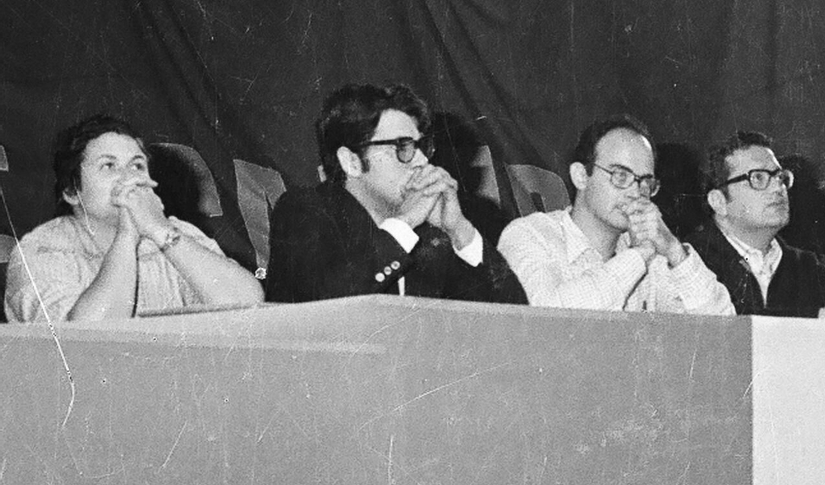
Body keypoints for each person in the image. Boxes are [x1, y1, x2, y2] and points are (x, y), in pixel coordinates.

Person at [264, 83, 524, 304]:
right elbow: (333, 301)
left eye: (421, 146)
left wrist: (459, 230)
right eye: (402, 147)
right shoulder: (303, 210)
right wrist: (406, 221)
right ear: (351, 161)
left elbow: (517, 317)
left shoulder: (429, 238)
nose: (421, 160)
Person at [5, 114, 263, 323]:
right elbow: (86, 343)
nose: (129, 179)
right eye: (109, 166)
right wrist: (127, 237)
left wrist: (161, 232)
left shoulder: (175, 233)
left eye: (137, 166)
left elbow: (248, 303)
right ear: (72, 192)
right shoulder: (40, 251)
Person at [498, 116, 733, 315]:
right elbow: (548, 318)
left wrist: (674, 251)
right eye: (621, 175)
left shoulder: (650, 254)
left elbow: (724, 324)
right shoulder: (529, 235)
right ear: (581, 176)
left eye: (645, 181)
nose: (635, 192)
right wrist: (637, 256)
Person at [686, 130, 825, 321]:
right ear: (719, 202)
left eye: (780, 177)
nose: (777, 189)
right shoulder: (689, 261)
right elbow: (725, 324)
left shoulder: (806, 266)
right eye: (758, 178)